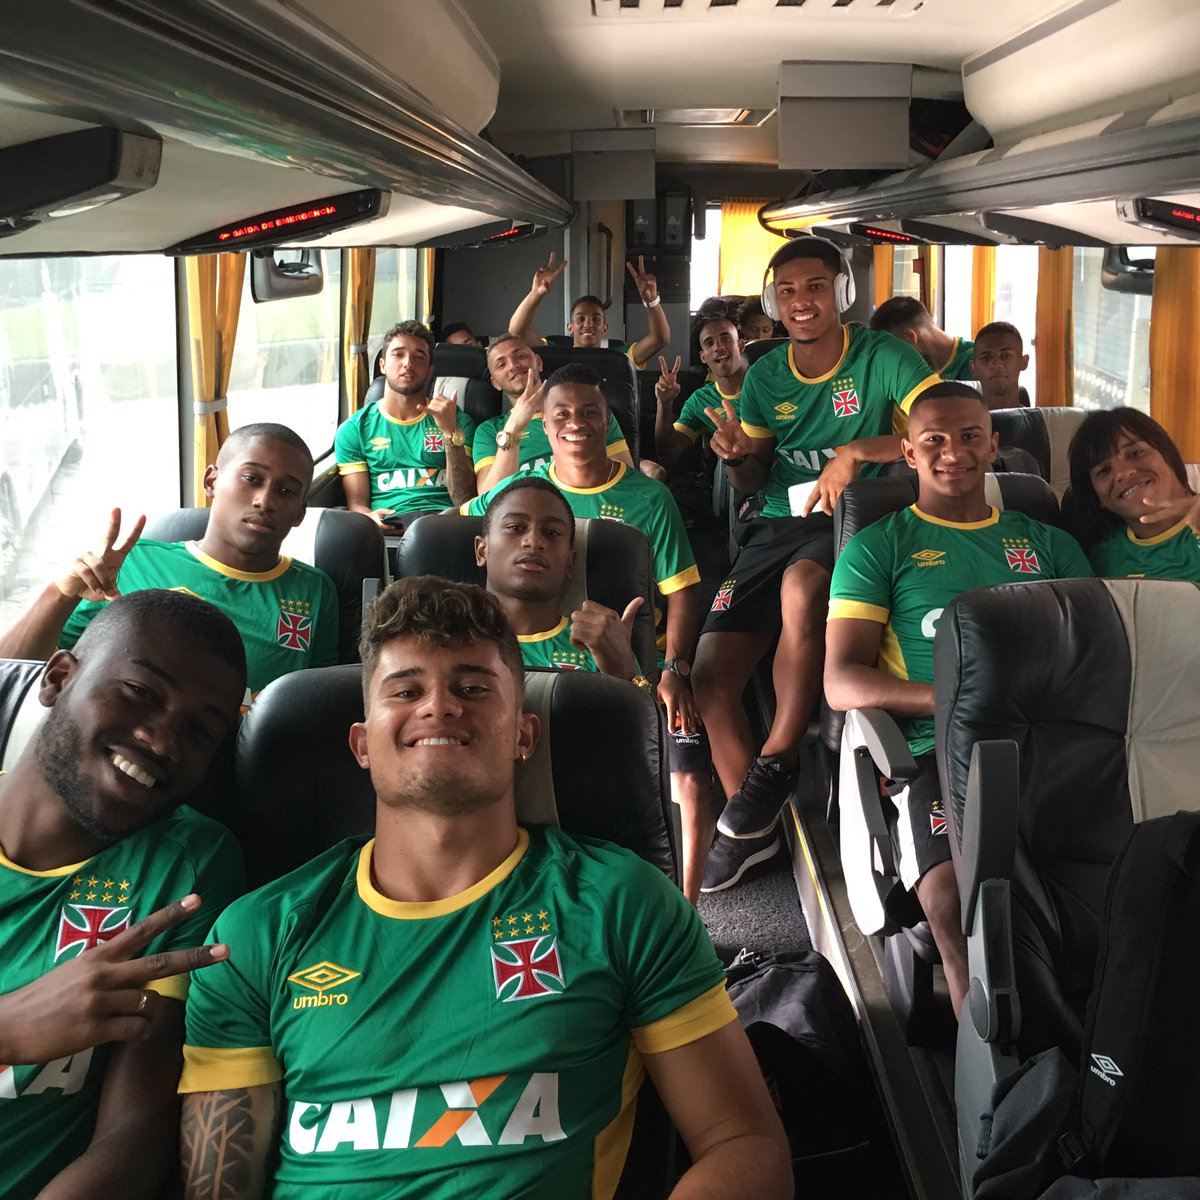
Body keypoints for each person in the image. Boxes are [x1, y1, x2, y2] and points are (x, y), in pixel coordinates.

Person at [178, 576, 791, 1200]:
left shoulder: (620, 903)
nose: (439, 707)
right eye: (406, 690)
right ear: (361, 745)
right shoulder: (254, 937)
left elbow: (745, 1143)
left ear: (524, 735)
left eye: (472, 688)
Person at [825, 382, 1091, 1014]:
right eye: (934, 440)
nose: (953, 452)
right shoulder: (879, 547)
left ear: (993, 446)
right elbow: (841, 680)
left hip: (1055, 745)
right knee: (953, 900)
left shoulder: (1048, 542)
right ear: (909, 454)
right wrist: (954, 699)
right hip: (938, 753)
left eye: (970, 436)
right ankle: (991, 1054)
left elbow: (1093, 655)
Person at [693, 237, 941, 893]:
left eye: (816, 286)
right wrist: (736, 456)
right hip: (775, 522)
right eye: (788, 290)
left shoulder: (883, 356)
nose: (801, 301)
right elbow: (753, 477)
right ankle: (754, 826)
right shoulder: (765, 376)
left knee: (804, 588)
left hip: (854, 517)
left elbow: (938, 424)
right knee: (710, 677)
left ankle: (775, 765)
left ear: (842, 292)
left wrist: (858, 451)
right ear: (774, 301)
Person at [0, 589, 247, 1198]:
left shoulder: (186, 867)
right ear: (59, 678)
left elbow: (134, 1139)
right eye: (140, 692)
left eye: (199, 731)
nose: (162, 742)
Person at [477, 474, 716, 904]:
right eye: (515, 528)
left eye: (551, 533)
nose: (533, 541)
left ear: (570, 563)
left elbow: (648, 774)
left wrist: (623, 671)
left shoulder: (600, 644)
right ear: (482, 550)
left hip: (582, 850)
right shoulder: (448, 641)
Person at [0, 423, 337, 708]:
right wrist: (61, 594)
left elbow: (313, 704)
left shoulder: (314, 590)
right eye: (251, 478)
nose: (265, 500)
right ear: (211, 482)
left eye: (286, 491)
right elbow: (12, 673)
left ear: (300, 513)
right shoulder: (132, 564)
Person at [336, 320, 477, 532]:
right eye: (398, 354)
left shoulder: (457, 420)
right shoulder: (354, 429)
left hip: (445, 524)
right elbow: (357, 504)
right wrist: (369, 518)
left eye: (419, 357)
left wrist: (450, 433)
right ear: (382, 365)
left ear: (430, 371)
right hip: (390, 527)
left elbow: (464, 499)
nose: (408, 363)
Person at [473, 334, 633, 491]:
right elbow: (489, 497)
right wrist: (512, 428)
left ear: (538, 362)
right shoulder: (490, 431)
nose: (513, 365)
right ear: (495, 383)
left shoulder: (591, 414)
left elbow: (625, 482)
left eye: (520, 356)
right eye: (501, 365)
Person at [1068, 407, 1200, 579]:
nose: (1122, 472)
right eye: (1104, 470)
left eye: (1135, 453)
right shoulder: (1100, 563)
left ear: (1168, 454)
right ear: (1096, 496)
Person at [508, 251, 670, 370]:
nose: (588, 324)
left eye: (596, 319)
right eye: (581, 319)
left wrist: (651, 300)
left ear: (604, 328)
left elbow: (660, 339)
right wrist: (536, 293)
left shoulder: (619, 356)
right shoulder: (554, 352)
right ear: (570, 327)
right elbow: (517, 332)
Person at [654, 314, 750, 469]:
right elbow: (669, 451)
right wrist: (664, 404)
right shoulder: (700, 401)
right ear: (703, 357)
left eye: (725, 338)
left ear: (740, 345)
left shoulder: (766, 383)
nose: (718, 347)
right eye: (709, 343)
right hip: (738, 474)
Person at [869, 296, 974, 381]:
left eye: (894, 352)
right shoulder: (909, 373)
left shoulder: (977, 362)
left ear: (911, 336)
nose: (894, 361)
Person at [970, 321, 1032, 410]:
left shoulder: (1044, 418)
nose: (996, 364)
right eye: (986, 358)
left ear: (1024, 362)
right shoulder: (959, 419)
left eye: (1005, 355)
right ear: (973, 368)